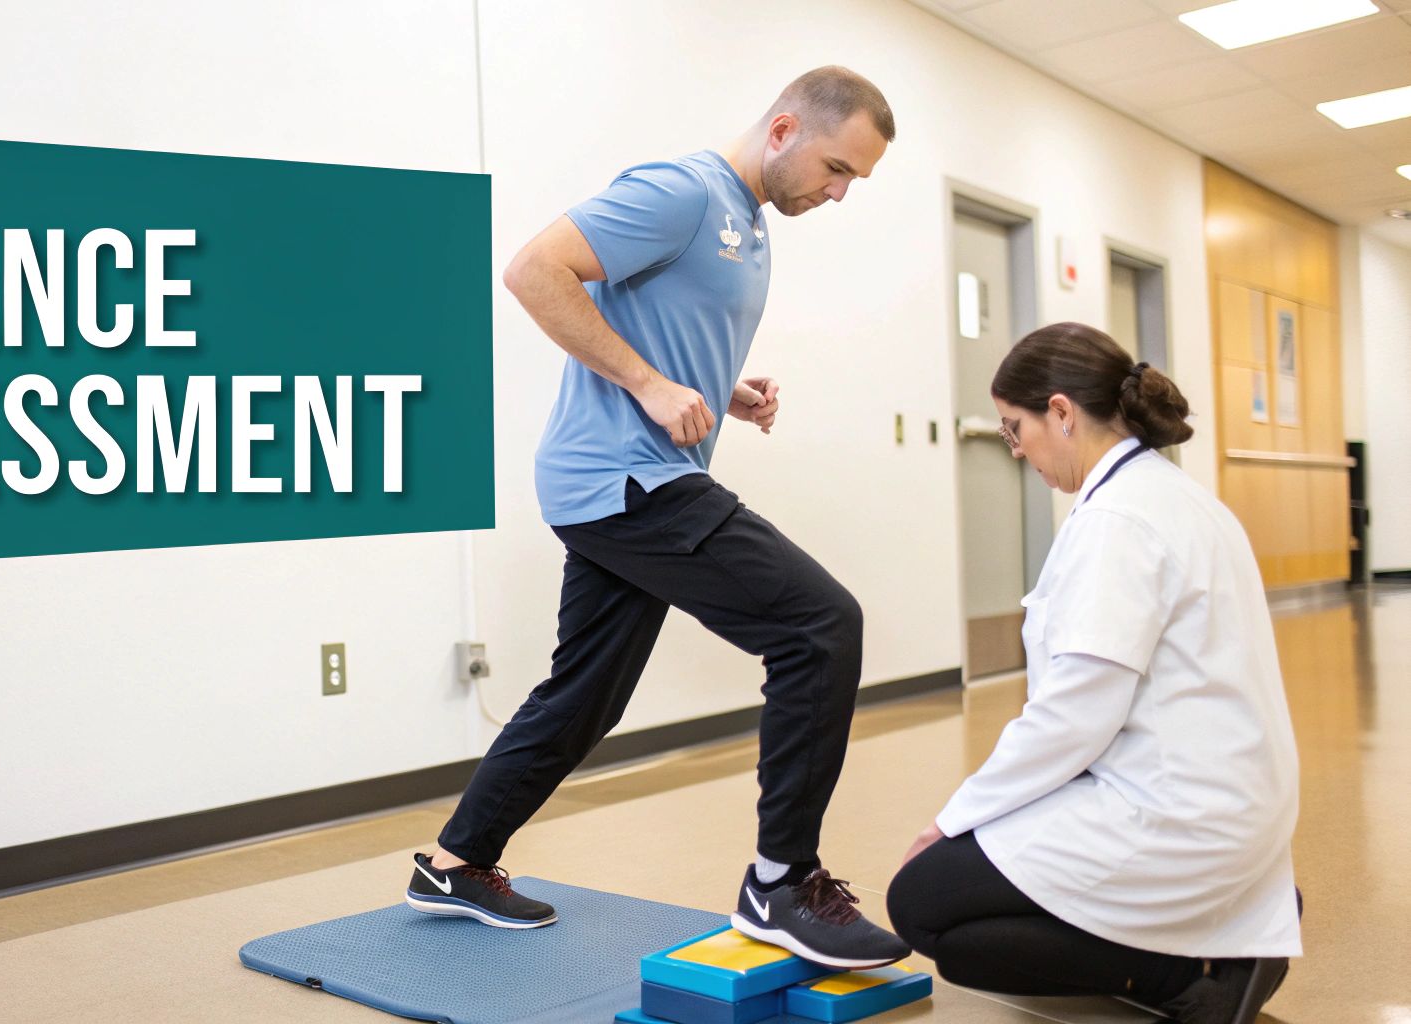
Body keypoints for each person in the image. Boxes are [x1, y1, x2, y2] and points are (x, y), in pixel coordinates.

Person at [402, 66, 909, 970]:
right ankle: (782, 882)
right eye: (836, 168)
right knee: (819, 626)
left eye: (854, 181)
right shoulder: (683, 192)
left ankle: (455, 863)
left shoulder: (750, 221)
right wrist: (648, 383)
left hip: (623, 481)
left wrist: (720, 388)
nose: (839, 193)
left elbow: (660, 329)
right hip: (627, 478)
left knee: (586, 692)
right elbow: (533, 270)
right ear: (784, 130)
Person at [886, 323, 1301, 1024]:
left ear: (1061, 412)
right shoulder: (1173, 495)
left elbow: (1075, 716)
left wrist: (951, 820)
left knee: (921, 903)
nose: (1016, 450)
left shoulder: (1119, 520)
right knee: (963, 883)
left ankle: (1198, 972)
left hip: (1177, 811)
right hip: (1225, 800)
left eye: (1015, 429)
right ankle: (1224, 932)